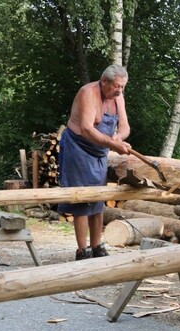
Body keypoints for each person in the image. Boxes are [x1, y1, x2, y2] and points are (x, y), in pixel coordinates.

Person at [58, 65, 132, 260]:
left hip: (99, 151)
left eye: (122, 87)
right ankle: (83, 250)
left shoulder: (118, 98)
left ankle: (96, 245)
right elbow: (87, 129)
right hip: (78, 148)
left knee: (98, 200)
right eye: (116, 86)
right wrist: (112, 144)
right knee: (82, 199)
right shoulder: (88, 93)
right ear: (104, 81)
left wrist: (117, 138)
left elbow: (124, 127)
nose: (119, 91)